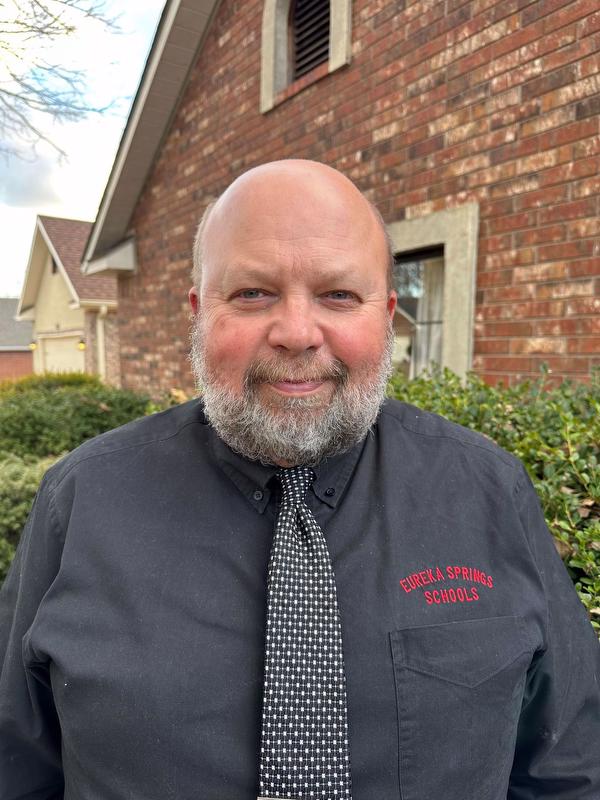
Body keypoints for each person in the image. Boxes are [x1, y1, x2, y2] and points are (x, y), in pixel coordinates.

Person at [1, 160, 598, 800]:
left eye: (338, 295)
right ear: (200, 313)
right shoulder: (84, 499)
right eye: (253, 293)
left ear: (387, 315)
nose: (296, 333)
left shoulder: (489, 492)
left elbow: (566, 769)